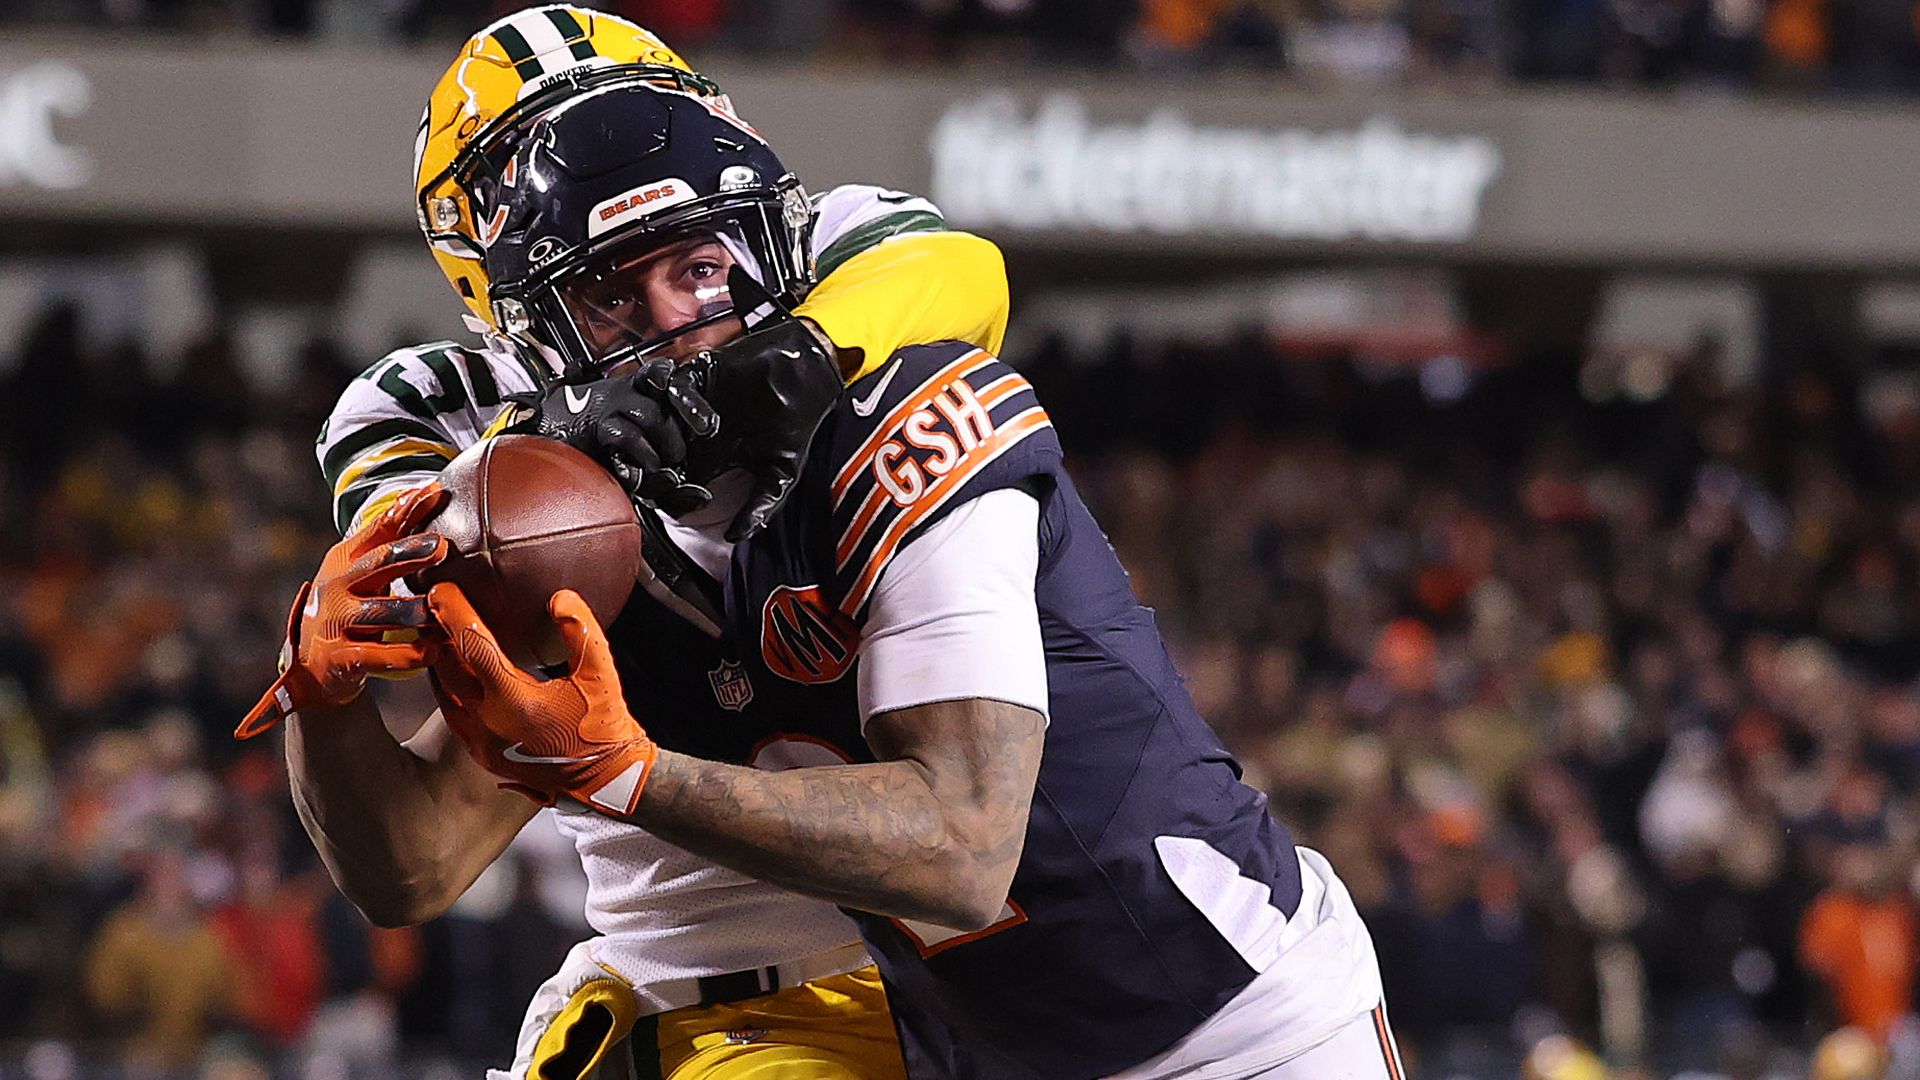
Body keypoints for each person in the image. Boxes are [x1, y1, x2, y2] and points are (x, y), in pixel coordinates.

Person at [422, 80, 1401, 1080]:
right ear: (537, 339)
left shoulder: (912, 416)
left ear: (775, 253)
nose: (676, 323)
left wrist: (627, 774)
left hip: (1237, 1027)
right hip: (984, 1051)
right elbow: (409, 856)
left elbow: (965, 851)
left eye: (702, 267)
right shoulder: (584, 524)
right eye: (612, 296)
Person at [239, 7, 1009, 1079]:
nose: (608, 165)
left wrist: (745, 378)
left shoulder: (806, 250)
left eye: (639, 118)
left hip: (939, 956)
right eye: (548, 155)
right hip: (683, 973)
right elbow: (430, 535)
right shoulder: (436, 402)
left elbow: (952, 270)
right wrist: (566, 445)